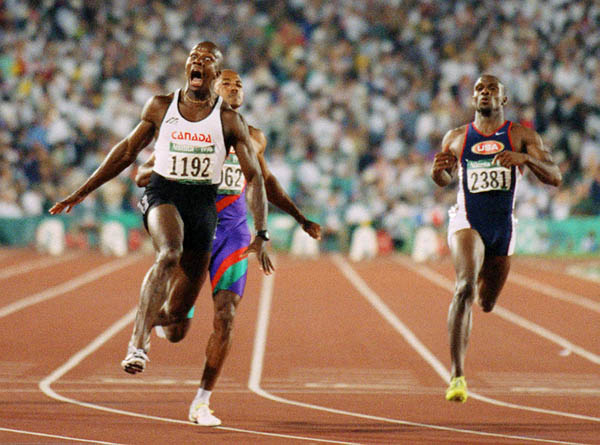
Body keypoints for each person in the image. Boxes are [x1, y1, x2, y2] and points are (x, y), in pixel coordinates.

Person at [49, 41, 273, 416]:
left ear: (216, 76)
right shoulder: (160, 106)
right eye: (194, 59)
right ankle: (138, 344)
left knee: (177, 325)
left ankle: (148, 317)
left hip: (203, 206)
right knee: (169, 252)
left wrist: (262, 232)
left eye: (207, 61)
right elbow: (124, 152)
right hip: (163, 193)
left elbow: (257, 179)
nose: (198, 63)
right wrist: (80, 192)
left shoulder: (229, 122)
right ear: (186, 67)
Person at [135, 69, 321, 425]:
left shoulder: (253, 137)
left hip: (233, 231)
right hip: (194, 224)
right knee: (175, 330)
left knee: (226, 315)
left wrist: (299, 218)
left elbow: (266, 182)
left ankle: (202, 401)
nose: (234, 88)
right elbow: (143, 174)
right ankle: (151, 317)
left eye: (239, 85)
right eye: (226, 84)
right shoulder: (188, 130)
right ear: (211, 88)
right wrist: (167, 167)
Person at [431, 74, 562, 403]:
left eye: (491, 89)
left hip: (503, 226)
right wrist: (437, 172)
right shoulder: (457, 136)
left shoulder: (520, 135)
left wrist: (527, 160)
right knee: (464, 287)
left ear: (503, 99)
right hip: (467, 220)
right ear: (473, 99)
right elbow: (443, 178)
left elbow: (556, 177)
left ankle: (474, 298)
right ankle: (457, 375)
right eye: (479, 89)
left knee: (486, 303)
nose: (484, 93)